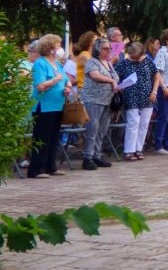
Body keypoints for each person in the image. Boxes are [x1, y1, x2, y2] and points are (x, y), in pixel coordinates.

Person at [28, 34, 72, 178]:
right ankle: (36, 169)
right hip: (44, 106)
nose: (60, 48)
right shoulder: (40, 63)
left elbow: (66, 80)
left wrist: (67, 87)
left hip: (57, 105)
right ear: (50, 48)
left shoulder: (58, 64)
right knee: (42, 138)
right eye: (58, 45)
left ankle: (50, 167)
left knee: (53, 137)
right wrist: (55, 80)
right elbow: (40, 85)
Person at [115, 42, 160, 160]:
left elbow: (156, 77)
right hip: (131, 96)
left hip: (148, 96)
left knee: (144, 124)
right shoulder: (124, 63)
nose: (134, 58)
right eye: (132, 55)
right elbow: (115, 77)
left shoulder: (148, 62)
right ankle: (129, 150)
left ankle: (139, 149)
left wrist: (154, 92)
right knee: (132, 123)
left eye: (136, 56)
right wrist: (119, 86)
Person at [81, 38, 118, 169]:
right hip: (93, 100)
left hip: (107, 101)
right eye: (105, 48)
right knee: (92, 129)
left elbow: (114, 79)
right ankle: (87, 157)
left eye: (109, 48)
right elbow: (95, 75)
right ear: (98, 49)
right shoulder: (92, 62)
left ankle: (97, 155)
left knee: (102, 130)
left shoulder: (108, 63)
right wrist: (111, 81)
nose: (108, 50)